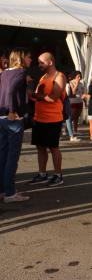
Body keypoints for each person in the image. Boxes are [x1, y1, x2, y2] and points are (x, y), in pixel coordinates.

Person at [28, 52, 67, 187]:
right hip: (39, 118)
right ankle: (42, 174)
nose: (39, 65)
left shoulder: (59, 76)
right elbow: (38, 96)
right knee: (40, 147)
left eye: (41, 62)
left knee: (53, 147)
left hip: (53, 119)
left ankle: (58, 175)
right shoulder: (44, 77)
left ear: (50, 62)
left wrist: (33, 94)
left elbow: (53, 97)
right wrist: (33, 94)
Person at [0, 48, 32, 202]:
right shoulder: (20, 73)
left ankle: (3, 190)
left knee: (3, 155)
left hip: (2, 117)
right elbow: (11, 91)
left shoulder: (4, 72)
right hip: (13, 119)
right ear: (21, 57)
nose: (30, 60)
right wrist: (12, 110)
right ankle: (10, 193)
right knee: (12, 157)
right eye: (28, 57)